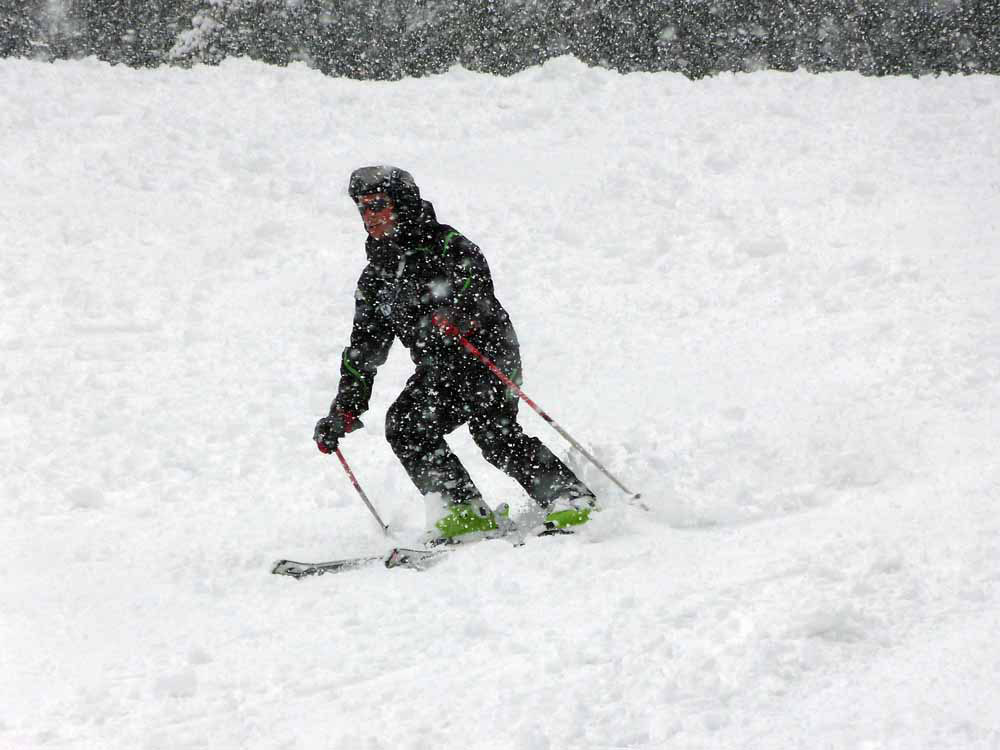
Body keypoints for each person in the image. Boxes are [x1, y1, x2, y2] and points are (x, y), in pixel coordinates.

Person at [314, 166, 596, 544]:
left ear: (403, 205)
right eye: (363, 209)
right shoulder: (376, 279)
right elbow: (364, 349)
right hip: (439, 367)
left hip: (484, 353)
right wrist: (344, 409)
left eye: (378, 205)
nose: (370, 217)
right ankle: (462, 510)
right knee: (407, 425)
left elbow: (476, 284)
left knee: (493, 435)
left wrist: (457, 314)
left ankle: (569, 498)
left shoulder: (445, 244)